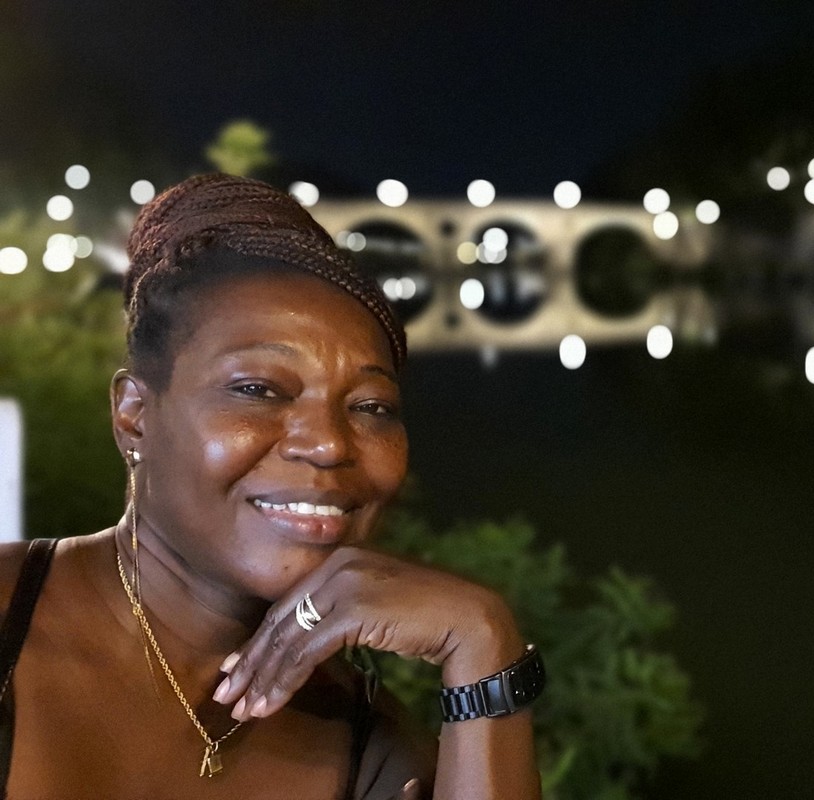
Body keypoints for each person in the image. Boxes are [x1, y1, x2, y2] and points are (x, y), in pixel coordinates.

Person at [0, 174, 543, 799]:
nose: (330, 444)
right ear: (134, 415)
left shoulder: (368, 746)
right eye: (257, 390)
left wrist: (482, 642)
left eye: (371, 406)